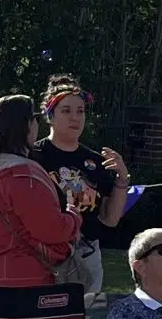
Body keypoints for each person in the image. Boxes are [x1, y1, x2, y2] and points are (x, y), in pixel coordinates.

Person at [0, 92, 85, 287]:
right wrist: (74, 216)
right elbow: (51, 230)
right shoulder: (23, 175)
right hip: (25, 278)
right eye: (35, 120)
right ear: (25, 125)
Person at [31, 76, 131, 296]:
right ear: (50, 116)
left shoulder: (96, 161)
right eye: (66, 111)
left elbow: (110, 219)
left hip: (86, 254)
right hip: (43, 252)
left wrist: (122, 178)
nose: (75, 117)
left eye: (80, 111)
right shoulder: (34, 156)